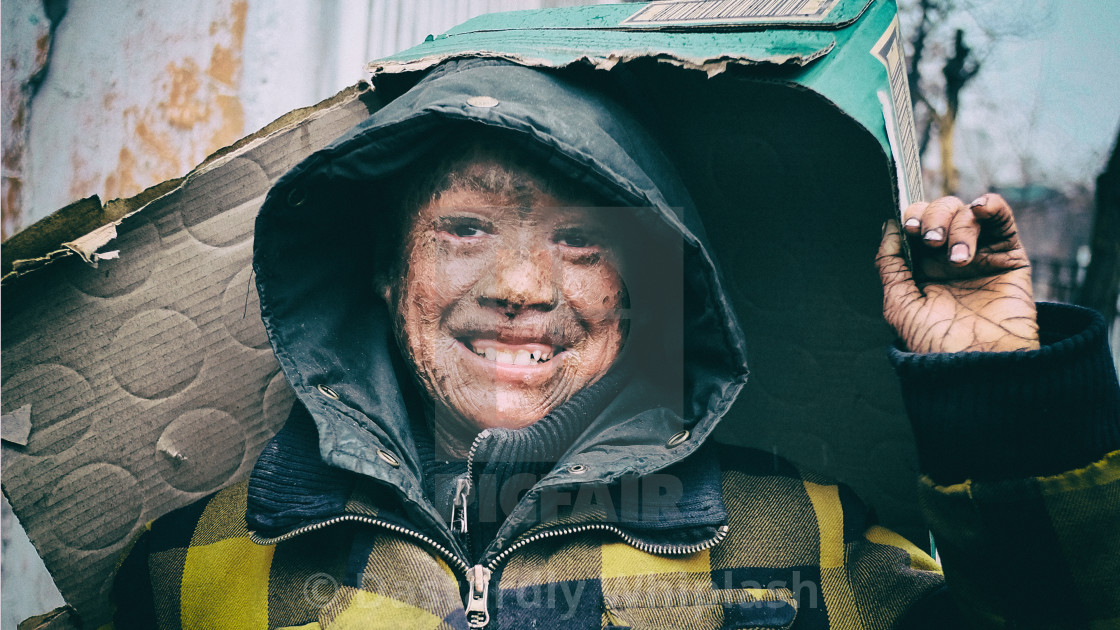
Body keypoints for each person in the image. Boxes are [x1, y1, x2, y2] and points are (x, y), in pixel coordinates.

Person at [111, 59, 1120, 629]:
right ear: (382, 270)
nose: (519, 287)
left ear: (643, 288)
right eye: (465, 229)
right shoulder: (187, 567)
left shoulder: (812, 541)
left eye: (583, 238)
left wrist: (1001, 402)